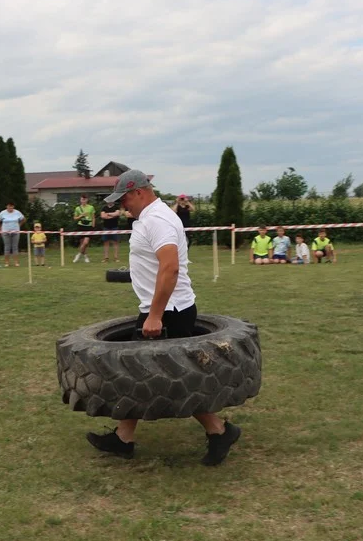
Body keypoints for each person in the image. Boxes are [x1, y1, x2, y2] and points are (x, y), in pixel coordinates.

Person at [85, 170, 240, 466]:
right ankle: (123, 438)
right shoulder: (150, 218)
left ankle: (220, 430)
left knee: (170, 377)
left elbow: (170, 268)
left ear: (139, 192)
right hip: (164, 308)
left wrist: (155, 316)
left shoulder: (157, 220)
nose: (122, 206)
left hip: (170, 312)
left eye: (124, 199)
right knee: (140, 371)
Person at [0, 202, 25, 267]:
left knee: (15, 247)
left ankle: (16, 262)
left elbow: (23, 219)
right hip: (5, 232)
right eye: (9, 206)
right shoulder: (2, 213)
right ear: (7, 206)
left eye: (11, 207)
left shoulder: (17, 212)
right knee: (7, 247)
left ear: (13, 207)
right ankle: (6, 262)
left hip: (15, 232)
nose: (10, 208)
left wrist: (19, 225)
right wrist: (1, 229)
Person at [72, 195, 96, 263]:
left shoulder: (91, 207)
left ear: (87, 200)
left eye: (85, 199)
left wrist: (93, 225)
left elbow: (93, 217)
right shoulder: (78, 208)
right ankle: (85, 256)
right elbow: (75, 218)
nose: (83, 201)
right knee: (82, 243)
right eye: (82, 199)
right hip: (81, 225)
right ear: (80, 200)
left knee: (86, 242)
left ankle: (78, 254)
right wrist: (81, 216)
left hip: (89, 226)